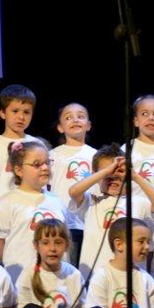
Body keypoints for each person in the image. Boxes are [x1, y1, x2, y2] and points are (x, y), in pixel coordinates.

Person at [67, 144, 154, 281]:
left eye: (118, 173)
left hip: (130, 277)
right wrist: (106, 171)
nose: (113, 178)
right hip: (96, 276)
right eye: (107, 175)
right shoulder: (91, 201)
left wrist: (135, 176)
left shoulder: (137, 202)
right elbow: (73, 191)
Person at [17, 220, 111, 308]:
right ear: (36, 246)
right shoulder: (28, 273)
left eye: (58, 243)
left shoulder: (73, 274)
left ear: (66, 245)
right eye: (46, 243)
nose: (52, 248)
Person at [0, 138, 69, 285]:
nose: (45, 168)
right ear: (19, 170)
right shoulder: (6, 203)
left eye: (47, 163)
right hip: (21, 280)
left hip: (56, 280)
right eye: (37, 164)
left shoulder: (57, 201)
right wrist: (14, 266)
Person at [48, 103, 97, 263]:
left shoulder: (96, 155)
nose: (75, 120)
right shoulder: (52, 155)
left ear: (88, 125)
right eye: (69, 117)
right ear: (60, 127)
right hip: (62, 220)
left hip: (89, 221)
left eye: (80, 116)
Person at [0, 85, 39, 207]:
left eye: (26, 112)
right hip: (0, 210)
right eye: (15, 111)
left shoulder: (37, 145)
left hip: (31, 208)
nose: (21, 117)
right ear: (3, 113)